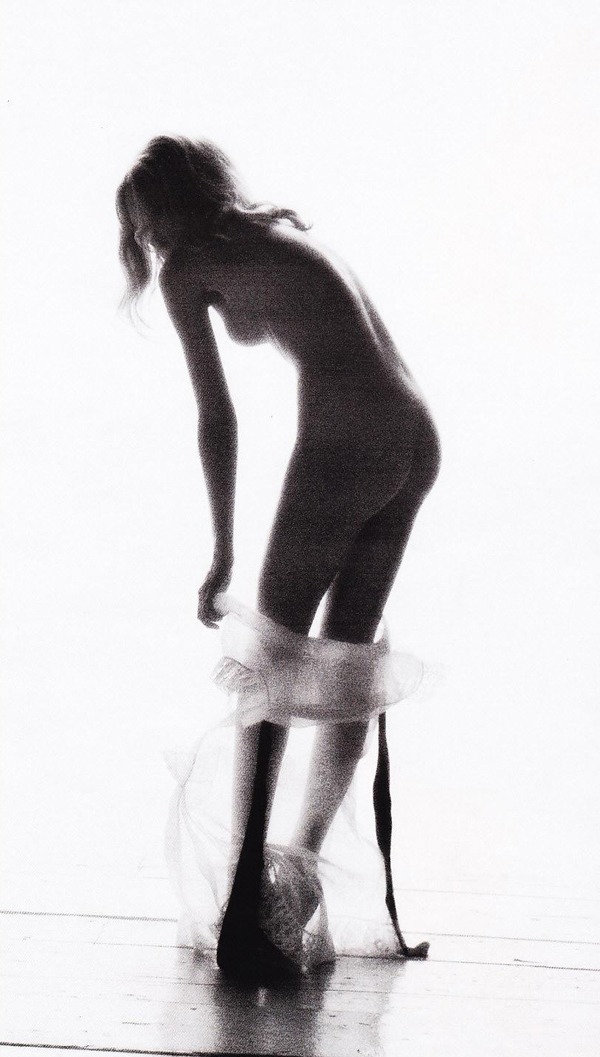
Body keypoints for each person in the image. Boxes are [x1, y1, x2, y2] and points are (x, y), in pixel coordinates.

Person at [116, 136, 441, 982]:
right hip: (412, 433)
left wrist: (222, 549)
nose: (148, 241)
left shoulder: (190, 266)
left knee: (271, 662)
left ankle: (244, 907)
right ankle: (294, 878)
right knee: (344, 663)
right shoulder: (281, 235)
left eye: (150, 223)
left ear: (176, 207)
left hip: (350, 441)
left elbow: (216, 416)